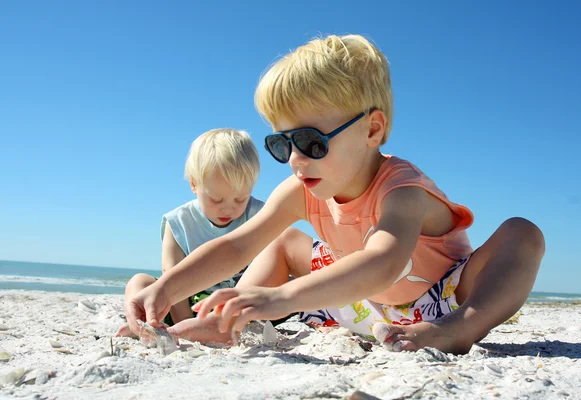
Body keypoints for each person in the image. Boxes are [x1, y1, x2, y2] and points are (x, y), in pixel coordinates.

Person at [127, 34, 545, 354]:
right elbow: (237, 246)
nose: (294, 158)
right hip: (357, 304)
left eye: (310, 141)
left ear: (372, 130)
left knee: (522, 233)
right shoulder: (301, 187)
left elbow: (383, 262)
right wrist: (166, 288)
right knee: (282, 241)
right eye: (281, 143)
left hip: (441, 301)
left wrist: (280, 297)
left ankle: (463, 328)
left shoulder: (402, 189)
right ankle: (229, 321)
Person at [117, 128, 264, 343]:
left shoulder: (259, 214)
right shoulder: (179, 222)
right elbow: (171, 276)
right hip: (188, 301)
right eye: (217, 199)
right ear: (194, 185)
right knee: (139, 282)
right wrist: (184, 324)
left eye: (240, 199)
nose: (229, 209)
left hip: (237, 304)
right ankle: (144, 325)